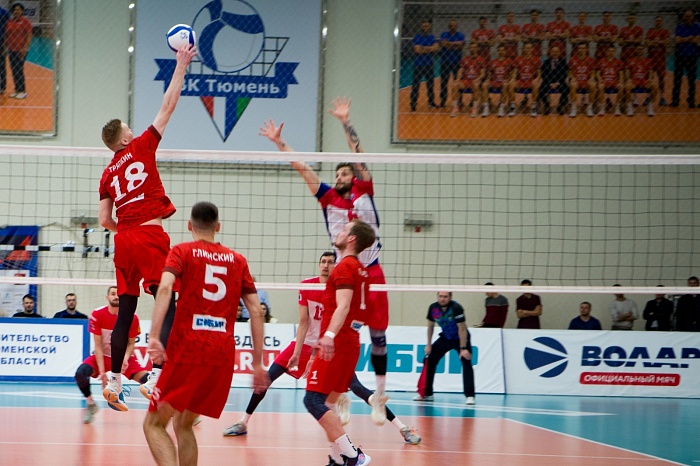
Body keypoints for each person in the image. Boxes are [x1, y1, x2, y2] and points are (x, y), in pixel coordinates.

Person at [260, 97, 391, 426]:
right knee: (340, 331)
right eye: (339, 173)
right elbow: (303, 168)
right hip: (343, 270)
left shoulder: (364, 191)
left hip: (372, 270)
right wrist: (280, 143)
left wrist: (345, 122)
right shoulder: (328, 198)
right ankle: (340, 392)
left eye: (347, 171)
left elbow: (360, 155)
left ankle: (379, 394)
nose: (343, 175)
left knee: (376, 334)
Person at [223, 252, 421, 445]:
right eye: (323, 262)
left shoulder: (342, 290)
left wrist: (316, 354)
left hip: (329, 347)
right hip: (305, 343)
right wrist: (297, 352)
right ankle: (243, 422)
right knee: (266, 378)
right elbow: (303, 322)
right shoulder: (307, 285)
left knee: (357, 387)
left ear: (337, 266)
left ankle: (403, 428)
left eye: (330, 262)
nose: (326, 265)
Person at [99, 44, 197, 411]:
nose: (133, 130)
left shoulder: (107, 173)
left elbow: (103, 219)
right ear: (125, 139)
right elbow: (168, 106)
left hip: (124, 239)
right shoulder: (140, 146)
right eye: (129, 128)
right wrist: (181, 65)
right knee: (167, 299)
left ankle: (113, 383)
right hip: (148, 234)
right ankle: (156, 375)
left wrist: (123, 230)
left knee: (125, 312)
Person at [143, 201, 269, 466]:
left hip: (188, 348)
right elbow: (257, 312)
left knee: (153, 424)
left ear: (189, 225)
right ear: (218, 227)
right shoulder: (238, 260)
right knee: (183, 423)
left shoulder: (181, 251)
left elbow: (164, 289)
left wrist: (154, 336)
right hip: (221, 353)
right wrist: (258, 364)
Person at [303, 220, 375, 466]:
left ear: (352, 239)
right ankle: (336, 459)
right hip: (350, 342)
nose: (339, 231)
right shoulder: (361, 269)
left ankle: (354, 456)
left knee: (312, 401)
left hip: (338, 343)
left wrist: (329, 336)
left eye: (344, 229)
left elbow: (343, 306)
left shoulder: (345, 266)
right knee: (328, 403)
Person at [75, 286, 149, 424]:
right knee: (80, 373)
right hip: (102, 356)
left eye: (118, 294)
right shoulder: (97, 314)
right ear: (107, 297)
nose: (116, 297)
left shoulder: (132, 317)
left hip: (122, 357)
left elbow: (131, 344)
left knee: (149, 381)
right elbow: (98, 346)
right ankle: (91, 404)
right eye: (113, 294)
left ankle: (167, 409)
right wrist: (102, 372)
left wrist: (125, 359)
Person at [413, 292, 475, 405]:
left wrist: (463, 348)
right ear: (437, 297)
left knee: (466, 361)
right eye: (440, 296)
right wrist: (429, 344)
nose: (443, 299)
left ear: (450, 297)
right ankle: (428, 394)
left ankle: (470, 396)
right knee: (430, 359)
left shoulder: (456, 308)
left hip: (460, 338)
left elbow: (462, 329)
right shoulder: (433, 308)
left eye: (445, 297)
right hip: (446, 337)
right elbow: (430, 326)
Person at [671, 9, 699, 108]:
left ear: (693, 17)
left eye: (690, 16)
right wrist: (689, 38)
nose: (688, 18)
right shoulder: (680, 26)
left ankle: (691, 101)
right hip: (680, 56)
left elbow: (697, 40)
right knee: (677, 79)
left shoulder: (697, 26)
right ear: (683, 17)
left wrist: (683, 39)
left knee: (692, 80)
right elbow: (677, 40)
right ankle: (675, 100)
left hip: (692, 56)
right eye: (686, 16)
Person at [449, 41, 486, 117]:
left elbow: (483, 73)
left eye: (474, 47)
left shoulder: (481, 59)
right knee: (455, 85)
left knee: (476, 85)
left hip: (475, 80)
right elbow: (461, 70)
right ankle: (455, 108)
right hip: (466, 80)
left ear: (477, 49)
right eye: (471, 47)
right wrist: (458, 79)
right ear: (469, 49)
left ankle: (474, 108)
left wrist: (478, 79)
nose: (473, 49)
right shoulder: (465, 59)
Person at [410, 20, 439, 111]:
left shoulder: (431, 37)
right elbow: (417, 50)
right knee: (416, 85)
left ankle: (431, 101)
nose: (425, 28)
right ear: (421, 27)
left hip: (429, 64)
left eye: (427, 26)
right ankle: (413, 103)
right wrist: (429, 48)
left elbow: (436, 48)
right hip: (418, 64)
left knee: (430, 85)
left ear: (429, 27)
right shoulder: (417, 37)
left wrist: (423, 48)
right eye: (423, 26)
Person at [4, 3, 31, 99]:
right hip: (11, 50)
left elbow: (29, 35)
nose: (16, 11)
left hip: (21, 50)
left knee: (19, 69)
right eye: (15, 9)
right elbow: (7, 35)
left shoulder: (25, 21)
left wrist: (25, 48)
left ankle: (22, 91)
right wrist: (5, 47)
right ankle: (17, 90)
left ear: (22, 11)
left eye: (18, 9)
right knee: (14, 69)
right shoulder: (10, 22)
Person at [508, 41, 541, 117]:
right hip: (521, 81)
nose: (528, 50)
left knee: (535, 84)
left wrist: (537, 78)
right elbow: (515, 71)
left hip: (531, 81)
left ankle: (533, 107)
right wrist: (513, 78)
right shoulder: (518, 59)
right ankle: (513, 107)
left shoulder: (536, 59)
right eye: (526, 48)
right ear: (523, 49)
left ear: (532, 49)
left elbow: (539, 73)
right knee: (511, 83)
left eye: (529, 48)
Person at [625, 44, 659, 116]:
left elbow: (651, 71)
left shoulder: (648, 60)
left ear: (644, 51)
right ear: (635, 50)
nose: (639, 51)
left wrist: (650, 79)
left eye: (641, 49)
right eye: (638, 49)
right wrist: (628, 79)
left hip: (644, 80)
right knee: (627, 86)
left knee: (655, 87)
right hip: (634, 80)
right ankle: (630, 107)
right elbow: (627, 71)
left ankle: (650, 107)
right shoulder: (631, 60)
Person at [481, 44, 514, 117]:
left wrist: (509, 79)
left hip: (504, 81)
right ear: (497, 52)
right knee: (484, 85)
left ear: (505, 51)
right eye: (499, 50)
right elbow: (490, 73)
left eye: (502, 50)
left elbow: (512, 72)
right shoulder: (493, 61)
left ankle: (501, 107)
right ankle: (486, 107)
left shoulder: (509, 61)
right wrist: (488, 79)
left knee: (505, 85)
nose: (501, 52)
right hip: (495, 81)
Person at [438, 19, 465, 108]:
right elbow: (443, 44)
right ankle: (443, 101)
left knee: (458, 81)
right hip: (445, 62)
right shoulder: (444, 34)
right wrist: (455, 45)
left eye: (454, 25)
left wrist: (449, 44)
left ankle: (459, 100)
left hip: (456, 62)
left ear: (457, 26)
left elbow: (461, 45)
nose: (452, 27)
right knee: (443, 82)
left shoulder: (461, 35)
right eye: (451, 25)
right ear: (448, 26)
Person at [645, 16, 670, 106]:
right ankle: (648, 96)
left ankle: (662, 97)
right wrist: (660, 42)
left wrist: (654, 42)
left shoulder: (665, 31)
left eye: (660, 21)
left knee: (661, 78)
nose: (658, 22)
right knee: (649, 78)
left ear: (662, 22)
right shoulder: (650, 31)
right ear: (654, 22)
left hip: (661, 59)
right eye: (657, 21)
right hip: (651, 59)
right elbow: (647, 42)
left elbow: (667, 42)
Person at [596, 44, 626, 116]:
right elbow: (597, 73)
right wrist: (600, 79)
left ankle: (617, 107)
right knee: (600, 86)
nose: (611, 53)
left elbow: (621, 73)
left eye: (613, 51)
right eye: (609, 51)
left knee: (621, 86)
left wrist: (621, 81)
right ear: (606, 52)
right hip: (604, 81)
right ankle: (602, 107)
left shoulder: (618, 62)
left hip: (614, 81)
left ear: (615, 52)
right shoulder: (601, 61)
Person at [568, 43, 597, 117]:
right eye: (580, 48)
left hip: (586, 80)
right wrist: (573, 78)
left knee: (593, 85)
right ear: (577, 50)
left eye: (583, 48)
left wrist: (591, 78)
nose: (582, 50)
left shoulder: (591, 60)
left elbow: (593, 72)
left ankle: (589, 108)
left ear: (586, 49)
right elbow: (570, 72)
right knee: (572, 84)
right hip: (577, 80)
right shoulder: (572, 59)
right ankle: (574, 108)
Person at [538, 45, 569, 115]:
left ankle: (560, 105)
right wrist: (550, 83)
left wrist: (557, 83)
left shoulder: (563, 62)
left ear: (559, 52)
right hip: (548, 82)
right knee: (541, 90)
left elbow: (564, 74)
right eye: (553, 51)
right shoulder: (546, 62)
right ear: (550, 52)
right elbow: (544, 74)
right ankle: (547, 105)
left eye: (556, 52)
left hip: (559, 82)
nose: (555, 53)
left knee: (566, 89)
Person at [0, 4, 10, 96]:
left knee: (2, 65)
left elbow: (9, 25)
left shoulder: (4, 12)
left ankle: (2, 87)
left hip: (1, 41)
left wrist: (5, 44)